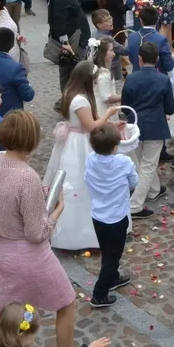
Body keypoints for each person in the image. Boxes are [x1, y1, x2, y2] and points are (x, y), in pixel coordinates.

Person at [0, 111, 76, 347]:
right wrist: (56, 210)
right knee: (66, 304)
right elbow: (36, 233)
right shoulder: (27, 176)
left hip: (2, 252)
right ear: (32, 139)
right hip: (30, 256)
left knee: (2, 313)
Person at [45, 61, 121, 248]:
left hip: (73, 139)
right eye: (94, 80)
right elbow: (91, 126)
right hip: (79, 143)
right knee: (82, 181)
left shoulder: (70, 94)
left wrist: (110, 125)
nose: (95, 83)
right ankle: (82, 233)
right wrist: (109, 114)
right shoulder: (80, 100)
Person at [83, 123, 137, 307]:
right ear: (115, 147)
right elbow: (133, 181)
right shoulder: (124, 162)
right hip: (116, 217)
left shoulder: (90, 159)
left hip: (98, 216)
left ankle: (113, 278)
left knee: (107, 251)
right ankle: (99, 294)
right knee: (112, 258)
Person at [122, 42, 174, 219]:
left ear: (140, 58)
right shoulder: (163, 79)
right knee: (148, 165)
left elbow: (125, 105)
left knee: (142, 164)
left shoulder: (131, 78)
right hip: (155, 125)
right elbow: (170, 108)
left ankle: (153, 190)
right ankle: (135, 205)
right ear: (157, 59)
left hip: (135, 124)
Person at [49, 0, 90, 90]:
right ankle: (68, 100)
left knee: (73, 77)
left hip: (77, 41)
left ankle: (69, 99)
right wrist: (65, 43)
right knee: (72, 78)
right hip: (72, 45)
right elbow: (58, 21)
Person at [126, 5, 174, 73]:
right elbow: (169, 66)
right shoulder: (161, 39)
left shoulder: (132, 37)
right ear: (157, 20)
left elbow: (131, 59)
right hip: (157, 76)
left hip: (136, 74)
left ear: (141, 20)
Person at [90, 10, 126, 80]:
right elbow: (123, 50)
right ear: (99, 25)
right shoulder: (106, 38)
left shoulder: (94, 33)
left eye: (110, 18)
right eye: (107, 20)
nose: (110, 21)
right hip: (112, 67)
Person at [89, 37, 119, 119]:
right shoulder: (104, 74)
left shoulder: (94, 69)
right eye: (111, 50)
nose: (114, 54)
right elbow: (106, 97)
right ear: (103, 54)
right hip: (104, 110)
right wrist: (123, 97)